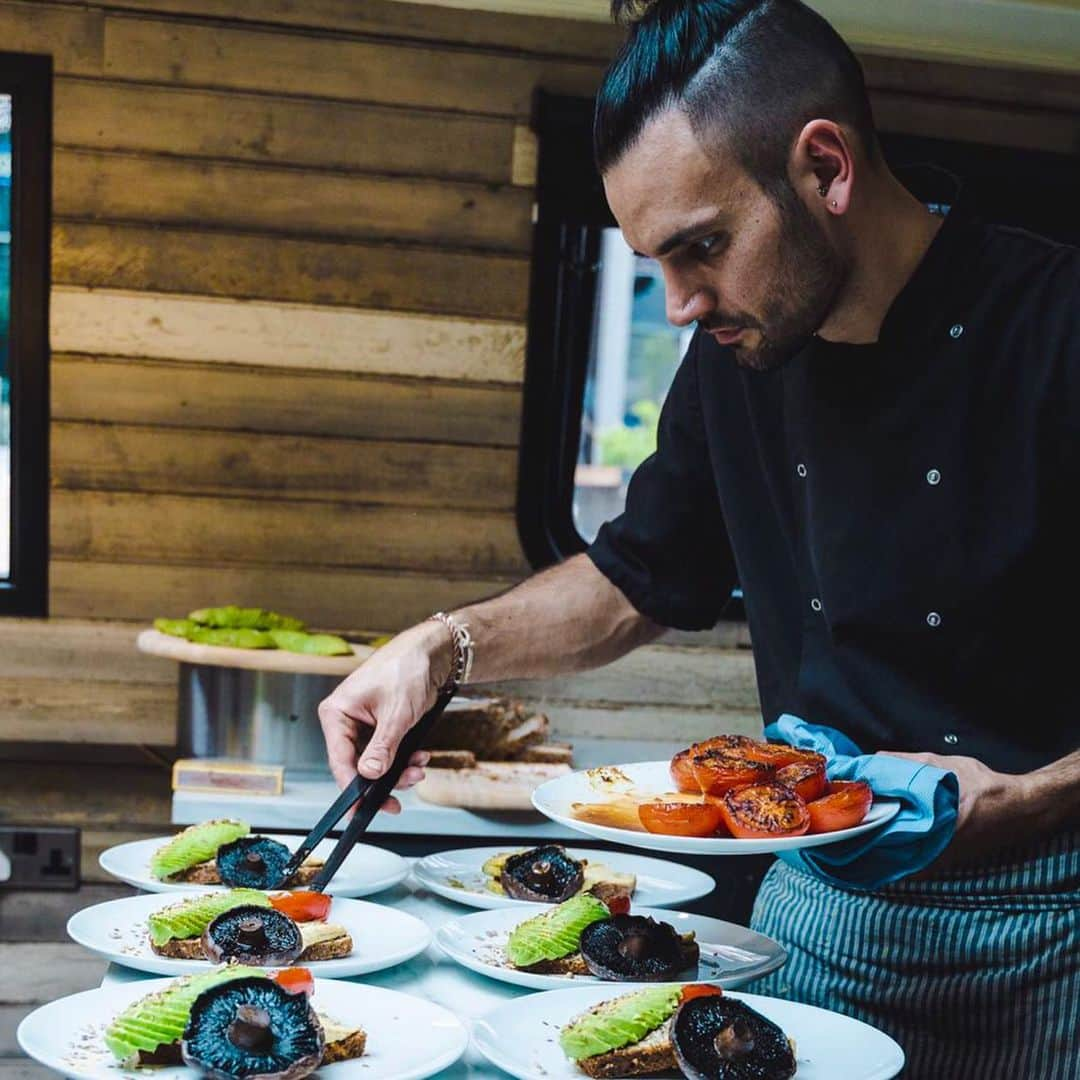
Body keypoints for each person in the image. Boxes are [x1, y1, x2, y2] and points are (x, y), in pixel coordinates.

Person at [319, 1, 1079, 1074]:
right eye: (653, 262)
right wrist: (440, 646)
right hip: (817, 913)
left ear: (826, 167)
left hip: (1049, 936)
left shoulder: (1057, 328)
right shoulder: (739, 356)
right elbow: (635, 578)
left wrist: (1039, 796)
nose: (677, 305)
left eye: (702, 248)